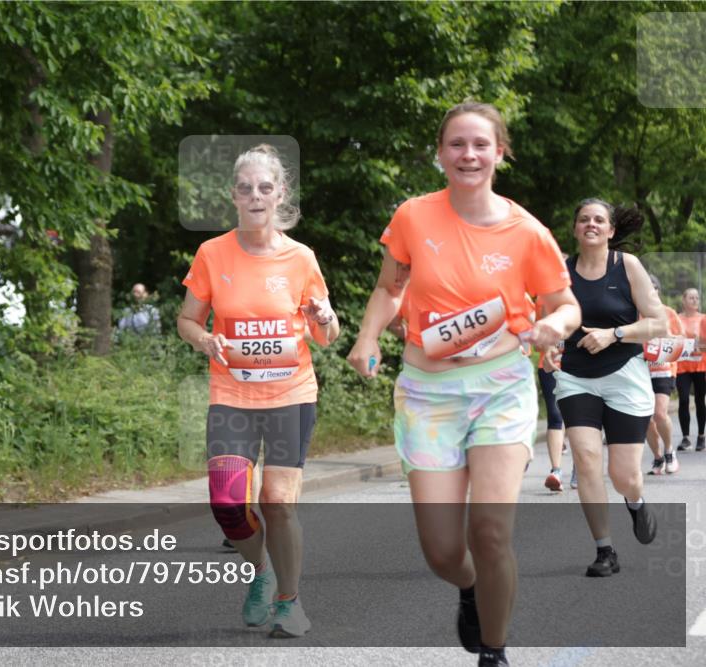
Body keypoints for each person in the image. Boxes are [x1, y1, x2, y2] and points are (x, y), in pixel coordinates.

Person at [347, 101, 580, 667]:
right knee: (444, 551)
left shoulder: (528, 232)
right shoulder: (412, 217)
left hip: (500, 386)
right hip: (428, 394)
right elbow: (389, 286)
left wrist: (553, 324)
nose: (468, 154)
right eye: (457, 144)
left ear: (500, 152)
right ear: (440, 153)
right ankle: (470, 587)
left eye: (481, 144)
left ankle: (494, 653)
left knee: (491, 531)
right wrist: (368, 337)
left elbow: (565, 304)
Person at [177, 144, 339, 638]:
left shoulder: (301, 258)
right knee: (227, 503)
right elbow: (187, 319)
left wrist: (326, 319)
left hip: (291, 394)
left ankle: (290, 602)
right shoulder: (212, 254)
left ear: (279, 193)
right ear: (233, 196)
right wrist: (205, 337)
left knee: (277, 500)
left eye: (265, 187)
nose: (255, 195)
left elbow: (326, 335)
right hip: (232, 395)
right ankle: (261, 574)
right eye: (245, 188)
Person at [553, 199, 667, 579]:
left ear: (611, 230)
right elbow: (547, 318)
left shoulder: (626, 266)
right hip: (575, 377)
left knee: (624, 476)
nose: (591, 224)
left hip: (624, 374)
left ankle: (634, 502)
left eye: (599, 220)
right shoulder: (560, 272)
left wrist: (614, 334)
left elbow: (658, 323)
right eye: (583, 218)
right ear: (574, 228)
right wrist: (549, 341)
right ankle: (605, 550)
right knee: (586, 459)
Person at [643, 274, 684, 474]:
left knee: (659, 413)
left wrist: (665, 340)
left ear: (658, 290)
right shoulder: (636, 314)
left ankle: (669, 451)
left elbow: (680, 340)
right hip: (641, 371)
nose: (649, 292)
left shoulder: (669, 313)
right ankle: (658, 457)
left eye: (653, 288)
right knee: (646, 419)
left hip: (663, 368)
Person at [536, 295, 567, 491]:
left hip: (578, 366)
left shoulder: (580, 290)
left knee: (579, 417)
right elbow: (537, 342)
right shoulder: (541, 299)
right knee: (555, 416)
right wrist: (549, 345)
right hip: (549, 365)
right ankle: (556, 471)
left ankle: (581, 469)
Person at [675, 287, 705, 451]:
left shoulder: (704, 319)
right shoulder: (677, 319)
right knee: (684, 399)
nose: (695, 300)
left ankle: (701, 436)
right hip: (682, 366)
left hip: (701, 365)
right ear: (684, 300)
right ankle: (685, 437)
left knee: (700, 400)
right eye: (691, 297)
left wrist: (700, 346)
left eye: (697, 298)